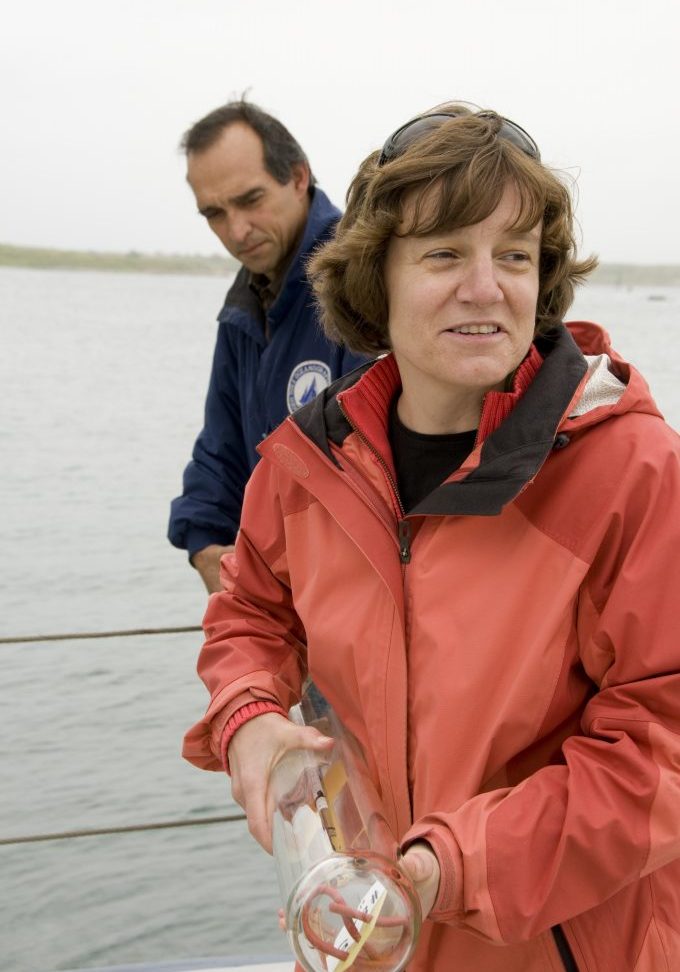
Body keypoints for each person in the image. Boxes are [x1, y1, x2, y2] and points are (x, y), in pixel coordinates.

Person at [182, 104, 680, 970]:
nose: (486, 286)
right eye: (445, 253)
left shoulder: (635, 475)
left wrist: (448, 866)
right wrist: (250, 718)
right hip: (367, 937)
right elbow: (250, 616)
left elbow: (660, 750)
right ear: (377, 276)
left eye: (515, 256)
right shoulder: (303, 465)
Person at [168, 100, 366, 592]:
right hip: (276, 605)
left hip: (352, 606)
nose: (236, 231)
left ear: (299, 177)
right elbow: (221, 448)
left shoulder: (361, 282)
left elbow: (378, 477)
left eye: (250, 199)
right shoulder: (244, 305)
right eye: (215, 213)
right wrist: (206, 546)